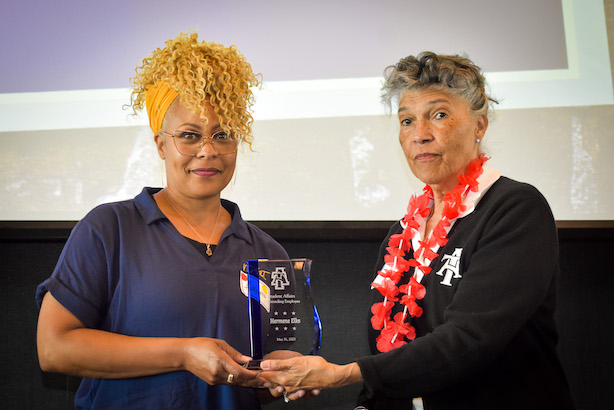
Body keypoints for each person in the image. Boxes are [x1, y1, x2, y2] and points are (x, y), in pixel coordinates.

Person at [259, 52, 575, 409]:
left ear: (479, 125)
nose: (419, 135)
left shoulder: (514, 209)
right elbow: (390, 350)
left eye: (438, 115)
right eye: (407, 121)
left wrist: (343, 375)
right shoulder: (403, 233)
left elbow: (470, 339)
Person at [36, 32, 293, 409]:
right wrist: (183, 354)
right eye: (190, 136)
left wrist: (287, 374)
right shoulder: (109, 230)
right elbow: (54, 349)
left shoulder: (268, 253)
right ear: (161, 145)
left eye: (223, 136)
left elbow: (276, 365)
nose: (208, 151)